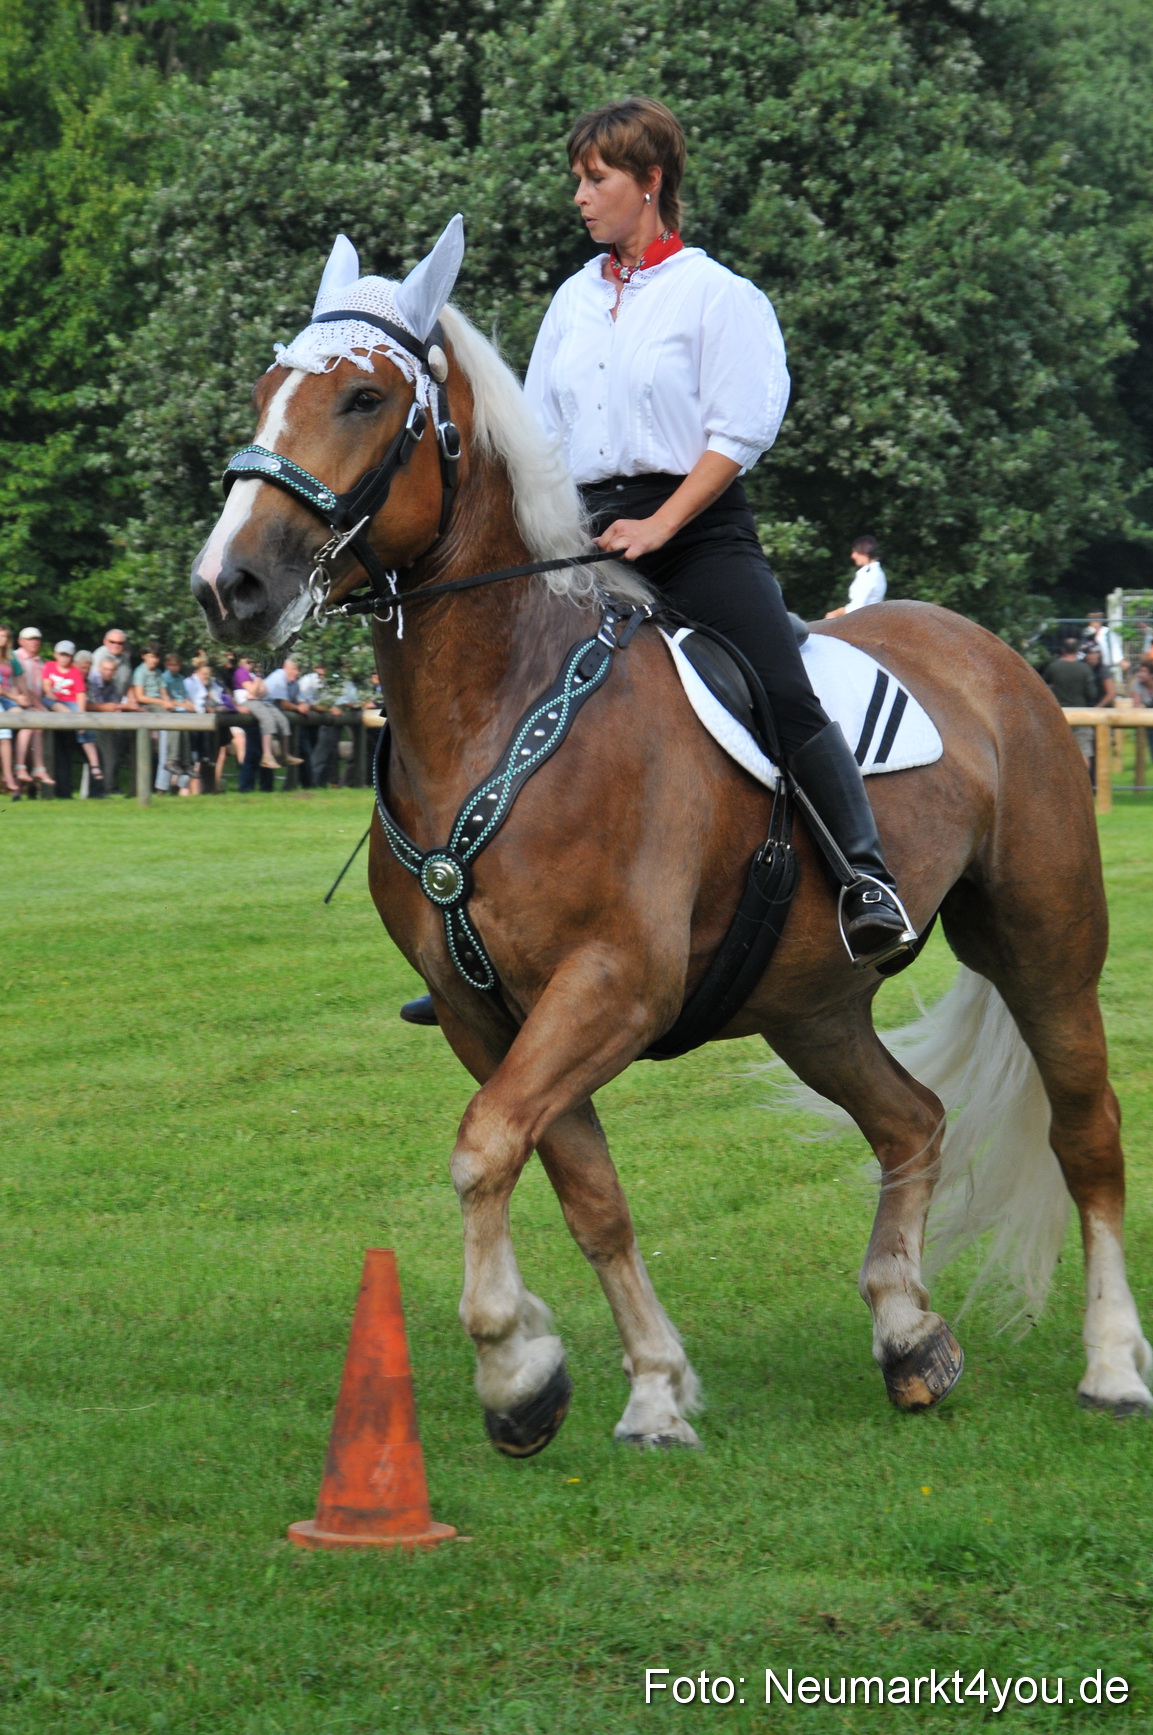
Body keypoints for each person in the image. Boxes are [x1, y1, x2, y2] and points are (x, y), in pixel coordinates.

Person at [525, 97, 916, 961]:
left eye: (597, 180)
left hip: (696, 530)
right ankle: (494, 927)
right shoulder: (570, 301)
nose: (579, 198)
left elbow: (736, 435)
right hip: (582, 533)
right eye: (577, 182)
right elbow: (539, 432)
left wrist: (659, 525)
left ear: (651, 180)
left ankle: (864, 878)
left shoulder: (717, 295)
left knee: (777, 684)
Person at [42, 639, 104, 795]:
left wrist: (81, 716)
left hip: (71, 704)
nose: (64, 658)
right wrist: (49, 691)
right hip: (56, 704)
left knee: (85, 732)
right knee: (49, 700)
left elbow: (80, 694)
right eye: (61, 655)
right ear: (56, 655)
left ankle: (94, 765)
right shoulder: (49, 666)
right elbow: (46, 684)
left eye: (67, 655)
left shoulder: (74, 673)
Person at [1043, 637, 1097, 769]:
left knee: (1058, 752)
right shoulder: (1084, 668)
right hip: (1082, 715)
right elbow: (1092, 694)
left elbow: (1043, 687)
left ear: (1062, 650)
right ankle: (1084, 786)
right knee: (1083, 752)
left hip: (1059, 715)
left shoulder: (1053, 667)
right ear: (1078, 650)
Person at [12, 628, 54, 789]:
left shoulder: (40, 662)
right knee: (32, 725)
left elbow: (39, 689)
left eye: (37, 639)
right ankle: (24, 768)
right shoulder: (15, 658)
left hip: (33, 706)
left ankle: (36, 769)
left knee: (37, 727)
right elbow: (22, 687)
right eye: (30, 639)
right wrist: (36, 705)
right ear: (21, 641)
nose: (34, 642)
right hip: (19, 705)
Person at [826, 536, 887, 617]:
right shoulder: (872, 572)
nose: (852, 556)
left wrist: (835, 613)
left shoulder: (870, 575)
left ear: (864, 552)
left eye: (855, 552)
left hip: (863, 620)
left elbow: (857, 607)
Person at [0, 624, 27, 797]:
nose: (1, 640)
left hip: (8, 697)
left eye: (4, 636)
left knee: (26, 721)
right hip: (5, 697)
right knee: (5, 731)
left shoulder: (10, 657)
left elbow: (16, 682)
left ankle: (20, 766)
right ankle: (8, 775)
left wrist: (21, 697)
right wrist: (15, 697)